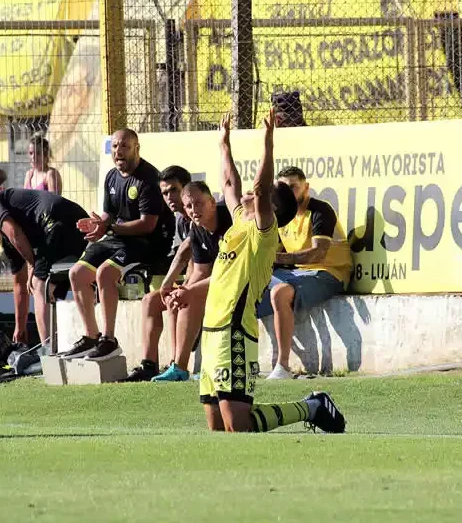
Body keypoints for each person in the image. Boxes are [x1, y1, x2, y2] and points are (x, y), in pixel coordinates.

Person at [199, 110, 346, 434]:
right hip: (211, 330)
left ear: (271, 208)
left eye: (256, 195)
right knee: (218, 428)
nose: (247, 195)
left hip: (234, 330)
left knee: (237, 425)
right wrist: (224, 146)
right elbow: (229, 183)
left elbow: (260, 189)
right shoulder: (240, 222)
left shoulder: (263, 234)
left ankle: (311, 407)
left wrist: (268, 142)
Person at [61, 128, 175, 362]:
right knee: (77, 274)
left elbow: (148, 225)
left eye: (124, 146)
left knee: (105, 273)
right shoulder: (112, 176)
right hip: (117, 238)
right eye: (114, 147)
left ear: (136, 148)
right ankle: (92, 336)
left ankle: (109, 340)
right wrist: (97, 225)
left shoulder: (149, 179)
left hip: (147, 242)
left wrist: (109, 228)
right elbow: (108, 215)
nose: (118, 151)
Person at [125, 181, 233, 382]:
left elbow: (231, 272)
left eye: (199, 203)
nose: (194, 210)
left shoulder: (229, 219)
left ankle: (180, 367)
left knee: (187, 298)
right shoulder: (196, 227)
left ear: (211, 201)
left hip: (242, 279)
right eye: (190, 206)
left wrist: (188, 291)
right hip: (218, 281)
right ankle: (151, 365)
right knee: (154, 300)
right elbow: (200, 270)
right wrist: (176, 288)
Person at [258, 166, 353, 379]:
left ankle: (282, 366)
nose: (289, 192)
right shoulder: (280, 215)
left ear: (306, 188)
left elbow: (317, 254)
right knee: (244, 287)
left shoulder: (320, 210)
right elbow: (275, 251)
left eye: (294, 187)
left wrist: (276, 258)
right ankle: (242, 362)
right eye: (284, 188)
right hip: (299, 274)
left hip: (329, 273)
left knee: (279, 293)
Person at [0, 185, 87, 346]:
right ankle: (61, 344)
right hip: (75, 224)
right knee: (51, 289)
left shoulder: (5, 212)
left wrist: (32, 265)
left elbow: (14, 232)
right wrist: (20, 327)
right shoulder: (8, 243)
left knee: (40, 285)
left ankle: (48, 350)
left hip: (60, 221)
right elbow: (19, 283)